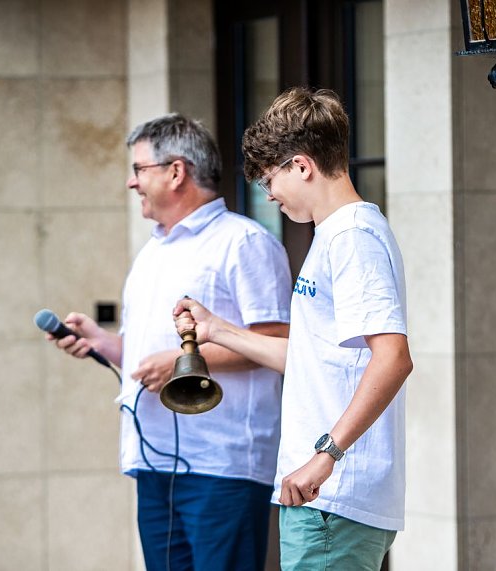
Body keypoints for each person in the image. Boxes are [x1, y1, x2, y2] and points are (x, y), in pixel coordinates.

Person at [174, 87, 413, 570]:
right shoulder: (337, 234)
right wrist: (217, 329)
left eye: (269, 180)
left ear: (301, 166)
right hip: (321, 495)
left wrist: (327, 454)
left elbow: (394, 358)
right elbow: (312, 357)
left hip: (330, 494)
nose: (270, 195)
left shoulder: (351, 236)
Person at [43, 113, 292, 571]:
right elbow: (154, 352)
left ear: (176, 172)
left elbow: (277, 342)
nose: (130, 182)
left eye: (139, 169)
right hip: (153, 461)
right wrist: (105, 344)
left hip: (223, 463)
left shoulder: (244, 243)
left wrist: (179, 362)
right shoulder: (153, 250)